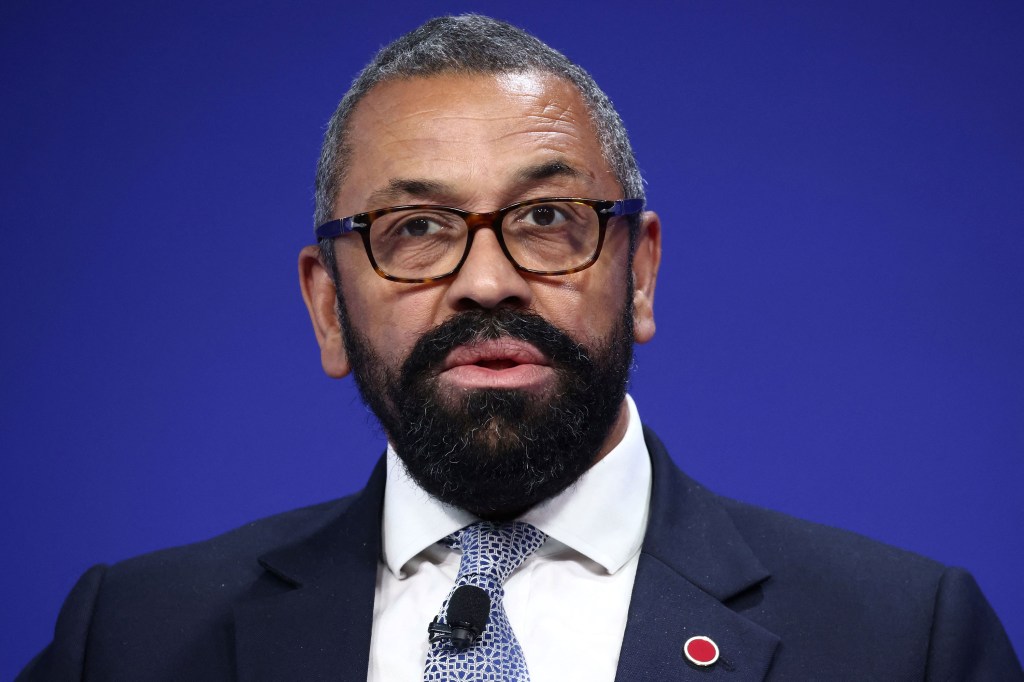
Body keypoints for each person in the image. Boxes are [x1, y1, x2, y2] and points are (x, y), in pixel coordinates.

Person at [18, 14, 1022, 681]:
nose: (487, 279)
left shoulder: (906, 640)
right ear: (328, 307)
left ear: (639, 272)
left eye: (546, 217)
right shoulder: (129, 638)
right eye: (413, 228)